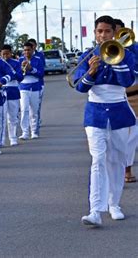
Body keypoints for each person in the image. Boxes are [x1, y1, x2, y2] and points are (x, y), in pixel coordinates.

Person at [74, 15, 135, 226]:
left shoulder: (125, 55)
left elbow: (128, 80)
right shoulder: (87, 55)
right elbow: (80, 87)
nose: (102, 35)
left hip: (119, 111)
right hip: (94, 113)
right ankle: (95, 211)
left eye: (106, 31)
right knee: (98, 159)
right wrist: (91, 71)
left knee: (116, 159)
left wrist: (114, 61)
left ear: (114, 33)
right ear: (95, 33)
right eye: (99, 31)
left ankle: (114, 204)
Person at [115, 18, 137, 183]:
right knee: (118, 136)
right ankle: (116, 166)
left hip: (134, 94)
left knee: (132, 135)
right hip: (114, 97)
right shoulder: (102, 49)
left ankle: (127, 169)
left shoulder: (134, 48)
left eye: (119, 32)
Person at [18, 42, 44, 140]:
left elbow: (41, 74)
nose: (26, 52)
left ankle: (34, 131)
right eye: (24, 50)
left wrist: (31, 69)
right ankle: (25, 132)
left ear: (33, 50)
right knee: (24, 109)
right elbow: (18, 74)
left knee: (34, 111)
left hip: (35, 87)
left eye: (28, 50)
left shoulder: (38, 60)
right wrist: (22, 69)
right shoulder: (20, 60)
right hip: (23, 87)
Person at [0, 44, 23, 146]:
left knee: (13, 117)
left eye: (7, 53)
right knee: (1, 117)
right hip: (2, 90)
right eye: (3, 54)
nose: (5, 56)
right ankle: (1, 140)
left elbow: (20, 77)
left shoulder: (16, 63)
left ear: (11, 53)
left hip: (13, 90)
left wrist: (11, 72)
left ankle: (13, 138)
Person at [27, 38, 46, 135]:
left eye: (33, 46)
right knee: (26, 108)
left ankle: (36, 125)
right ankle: (28, 129)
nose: (31, 48)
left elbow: (42, 69)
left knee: (36, 106)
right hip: (26, 86)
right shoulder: (23, 57)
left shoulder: (39, 56)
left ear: (35, 46)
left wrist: (32, 69)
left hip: (39, 83)